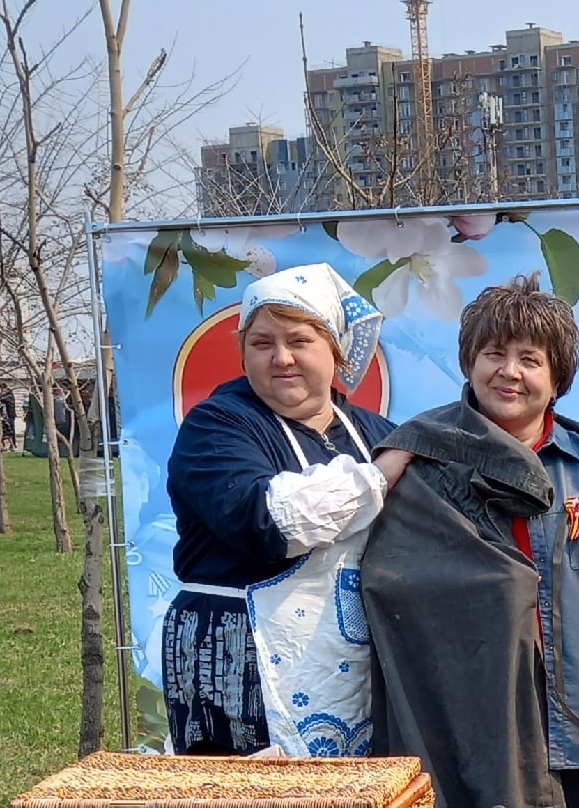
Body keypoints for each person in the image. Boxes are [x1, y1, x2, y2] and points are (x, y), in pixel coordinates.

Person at [401, 274, 579, 808]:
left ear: (557, 376)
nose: (509, 372)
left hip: (577, 715)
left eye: (529, 359)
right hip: (469, 719)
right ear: (470, 362)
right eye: (494, 353)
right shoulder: (422, 456)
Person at [161, 264, 403, 756]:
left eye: (299, 340)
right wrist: (379, 476)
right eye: (262, 343)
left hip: (348, 662)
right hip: (238, 662)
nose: (282, 358)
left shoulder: (375, 433)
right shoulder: (218, 425)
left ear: (334, 349)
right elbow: (270, 523)